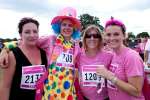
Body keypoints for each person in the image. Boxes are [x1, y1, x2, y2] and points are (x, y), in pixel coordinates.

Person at [96, 17, 145, 100]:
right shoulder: (113, 54)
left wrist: (110, 77)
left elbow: (136, 91)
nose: (112, 38)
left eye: (116, 34)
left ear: (124, 36)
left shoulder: (131, 57)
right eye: (108, 35)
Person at [0, 17, 47, 100]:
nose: (32, 35)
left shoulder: (44, 53)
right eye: (27, 32)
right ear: (21, 35)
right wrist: (5, 49)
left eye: (35, 31)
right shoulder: (12, 55)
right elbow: (5, 87)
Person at [77, 25, 113, 100]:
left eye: (96, 36)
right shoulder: (78, 55)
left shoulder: (109, 56)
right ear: (84, 39)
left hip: (104, 98)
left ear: (100, 39)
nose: (92, 38)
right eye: (88, 36)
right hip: (84, 97)